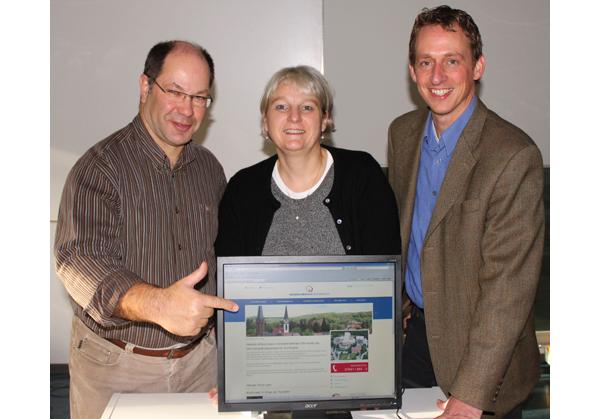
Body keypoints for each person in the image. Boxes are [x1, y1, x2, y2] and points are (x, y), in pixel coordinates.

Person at [54, 40, 239, 419]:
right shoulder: (99, 168)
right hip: (117, 367)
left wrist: (233, 358)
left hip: (199, 366)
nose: (187, 110)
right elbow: (80, 262)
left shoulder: (210, 170)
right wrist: (159, 304)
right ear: (145, 86)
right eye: (175, 92)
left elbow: (223, 262)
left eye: (200, 97)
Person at [387, 6, 544, 419]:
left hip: (485, 359)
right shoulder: (402, 135)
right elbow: (404, 235)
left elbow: (507, 291)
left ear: (477, 66)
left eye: (451, 61)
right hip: (415, 343)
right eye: (426, 62)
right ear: (412, 70)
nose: (437, 77)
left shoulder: (513, 155)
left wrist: (472, 395)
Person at [215, 65, 401, 258]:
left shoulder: (363, 176)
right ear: (265, 121)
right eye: (281, 107)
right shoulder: (242, 189)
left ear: (324, 120)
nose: (294, 117)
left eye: (307, 107)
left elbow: (384, 275)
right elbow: (231, 280)